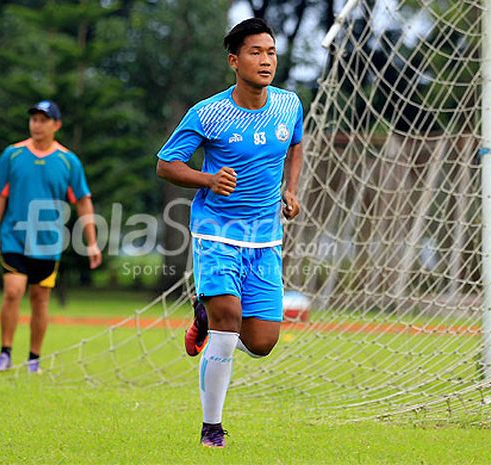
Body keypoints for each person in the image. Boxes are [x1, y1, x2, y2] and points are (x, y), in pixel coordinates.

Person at [156, 18, 303, 448]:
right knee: (228, 323)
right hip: (216, 233)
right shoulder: (208, 112)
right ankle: (212, 429)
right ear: (234, 61)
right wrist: (207, 180)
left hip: (266, 240)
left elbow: (295, 144)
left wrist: (290, 190)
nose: (266, 60)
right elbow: (167, 164)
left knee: (261, 342)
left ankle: (205, 318)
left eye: (271, 52)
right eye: (256, 52)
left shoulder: (289, 104)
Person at [0, 99, 102, 374]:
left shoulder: (68, 161)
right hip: (13, 237)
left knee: (40, 298)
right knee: (13, 291)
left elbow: (83, 201)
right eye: (33, 119)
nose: (36, 125)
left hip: (48, 243)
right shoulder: (12, 155)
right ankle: (5, 353)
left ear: (56, 125)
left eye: (43, 120)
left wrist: (92, 241)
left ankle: (34, 359)